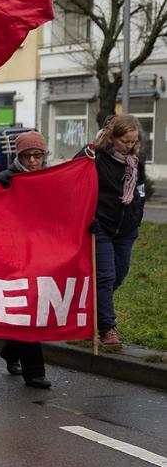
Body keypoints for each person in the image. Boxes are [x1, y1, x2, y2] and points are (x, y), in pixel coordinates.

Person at [0, 131, 52, 388]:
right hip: (15, 253)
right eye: (27, 156)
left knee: (35, 307)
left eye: (37, 155)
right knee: (27, 307)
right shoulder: (6, 179)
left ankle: (11, 349)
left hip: (43, 252)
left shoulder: (53, 178)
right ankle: (35, 371)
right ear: (19, 156)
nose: (33, 161)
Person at [87, 115, 147, 347]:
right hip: (102, 225)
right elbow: (75, 173)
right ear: (112, 138)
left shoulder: (136, 160)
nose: (130, 146)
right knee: (105, 276)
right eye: (125, 141)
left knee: (119, 275)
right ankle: (107, 328)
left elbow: (140, 191)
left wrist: (137, 217)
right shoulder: (96, 157)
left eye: (133, 141)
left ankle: (88, 306)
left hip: (126, 229)